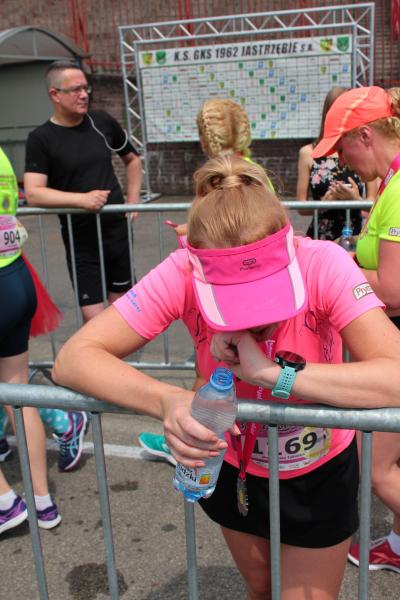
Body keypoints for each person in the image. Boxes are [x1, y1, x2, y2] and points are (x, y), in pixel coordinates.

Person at [52, 154, 400, 599]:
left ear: (288, 248)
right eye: (235, 300)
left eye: (268, 298)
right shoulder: (183, 269)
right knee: (261, 586)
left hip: (318, 470)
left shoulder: (322, 262)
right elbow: (74, 358)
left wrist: (275, 375)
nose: (255, 320)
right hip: (232, 465)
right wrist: (167, 401)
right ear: (199, 266)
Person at [138, 97, 270, 463]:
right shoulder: (253, 172)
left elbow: (233, 237)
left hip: (222, 292)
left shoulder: (221, 178)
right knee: (224, 371)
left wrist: (191, 237)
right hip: (249, 292)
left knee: (213, 371)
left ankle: (202, 445)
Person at [311, 85, 400, 573]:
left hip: (394, 345)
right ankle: (398, 546)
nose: (341, 161)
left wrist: (337, 269)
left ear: (365, 135)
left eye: (342, 147)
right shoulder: (390, 182)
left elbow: (394, 287)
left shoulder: (398, 188)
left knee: (377, 467)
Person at [24, 59, 142, 323]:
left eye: (86, 88)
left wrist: (133, 201)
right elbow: (33, 193)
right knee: (94, 318)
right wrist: (82, 200)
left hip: (116, 232)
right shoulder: (41, 138)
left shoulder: (102, 122)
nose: (84, 94)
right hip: (81, 240)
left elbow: (133, 160)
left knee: (124, 311)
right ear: (55, 94)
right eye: (75, 89)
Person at [0, 147, 61, 533]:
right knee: (17, 393)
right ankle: (43, 501)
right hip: (15, 277)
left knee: (16, 392)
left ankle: (5, 501)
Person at [296, 86, 378, 240]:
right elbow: (300, 206)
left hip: (353, 236)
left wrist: (356, 200)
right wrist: (323, 204)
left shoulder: (365, 150)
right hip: (321, 237)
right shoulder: (308, 153)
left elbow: (374, 203)